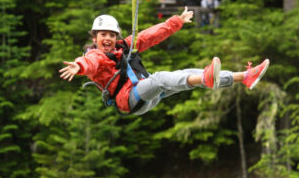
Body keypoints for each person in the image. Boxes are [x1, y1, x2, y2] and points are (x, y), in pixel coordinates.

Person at [59, 7, 270, 115]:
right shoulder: (95, 56)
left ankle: (245, 77)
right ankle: (206, 79)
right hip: (130, 99)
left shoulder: (123, 46)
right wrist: (79, 66)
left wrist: (176, 21)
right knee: (161, 78)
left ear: (117, 37)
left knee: (186, 73)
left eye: (112, 35)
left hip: (146, 94)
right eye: (103, 35)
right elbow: (90, 63)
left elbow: (149, 35)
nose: (108, 39)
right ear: (94, 38)